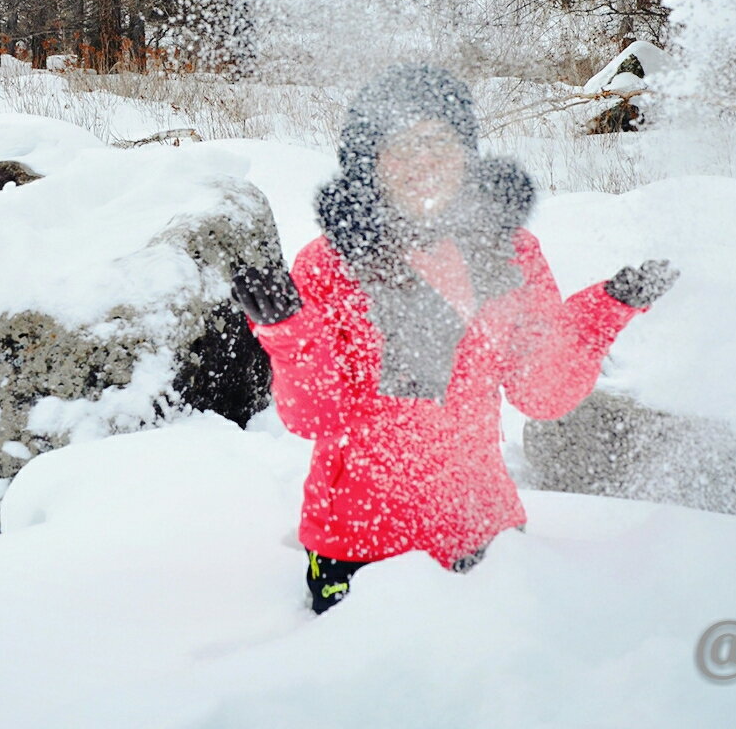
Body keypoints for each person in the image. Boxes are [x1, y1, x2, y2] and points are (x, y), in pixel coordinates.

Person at [232, 65, 677, 613]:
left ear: (468, 154)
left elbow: (543, 392)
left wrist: (607, 309)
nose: (423, 163)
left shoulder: (510, 253)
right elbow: (315, 417)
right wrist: (289, 334)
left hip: (480, 534)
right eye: (401, 147)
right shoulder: (330, 265)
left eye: (439, 143)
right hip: (358, 545)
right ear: (368, 162)